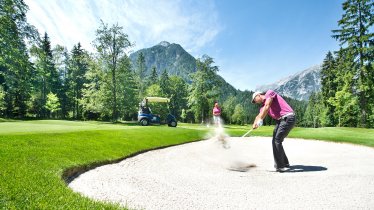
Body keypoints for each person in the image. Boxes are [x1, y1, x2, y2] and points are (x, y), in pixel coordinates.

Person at [252, 90, 296, 172]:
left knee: (277, 140)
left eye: (254, 100)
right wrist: (255, 123)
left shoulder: (269, 93)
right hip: (280, 121)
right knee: (275, 140)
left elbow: (267, 106)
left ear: (258, 95)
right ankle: (285, 163)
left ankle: (280, 166)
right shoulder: (263, 106)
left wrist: (261, 119)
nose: (255, 102)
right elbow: (258, 115)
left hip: (288, 117)